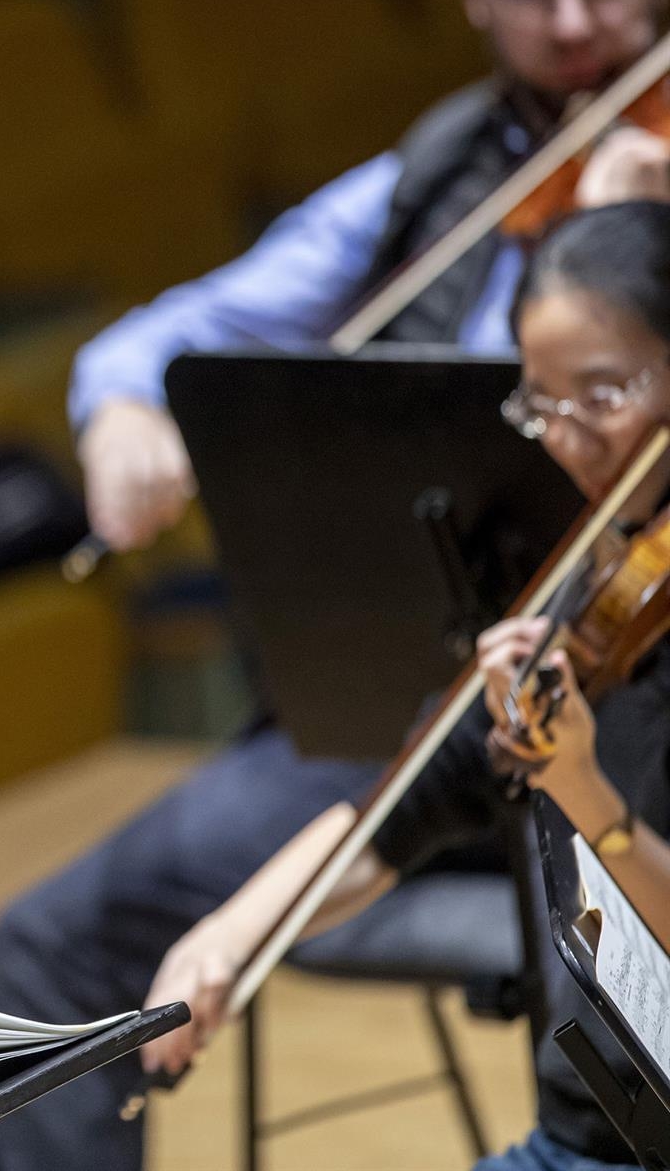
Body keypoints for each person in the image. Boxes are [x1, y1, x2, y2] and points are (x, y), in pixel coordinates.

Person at [0, 0, 670, 1167]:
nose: (572, 24)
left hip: (604, 781)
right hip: (448, 712)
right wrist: (124, 404)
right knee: (52, 938)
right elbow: (186, 329)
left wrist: (628, 234)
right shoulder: (448, 172)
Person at [145, 198, 670, 1171]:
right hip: (593, 1137)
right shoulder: (597, 591)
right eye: (540, 404)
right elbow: (403, 806)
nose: (567, 439)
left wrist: (585, 796)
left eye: (602, 395)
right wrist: (227, 937)